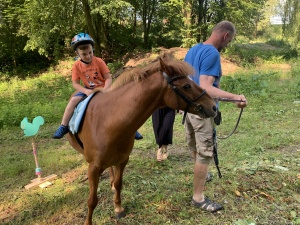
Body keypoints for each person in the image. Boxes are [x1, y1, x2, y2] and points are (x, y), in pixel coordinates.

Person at [184, 21, 248, 212]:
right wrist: (236, 97)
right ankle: (198, 197)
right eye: (229, 41)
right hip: (201, 111)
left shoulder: (193, 50)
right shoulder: (212, 53)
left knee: (195, 146)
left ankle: (203, 176)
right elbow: (205, 87)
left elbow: (188, 82)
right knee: (205, 153)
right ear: (225, 36)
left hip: (188, 109)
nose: (227, 45)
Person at [52, 33, 112, 139]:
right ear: (77, 53)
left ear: (92, 48)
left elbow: (108, 78)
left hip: (103, 87)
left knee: (118, 100)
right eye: (84, 54)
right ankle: (63, 126)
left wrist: (106, 90)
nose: (88, 56)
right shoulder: (76, 66)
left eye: (90, 52)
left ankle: (132, 129)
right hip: (88, 89)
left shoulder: (99, 61)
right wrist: (85, 91)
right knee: (72, 101)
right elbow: (75, 84)